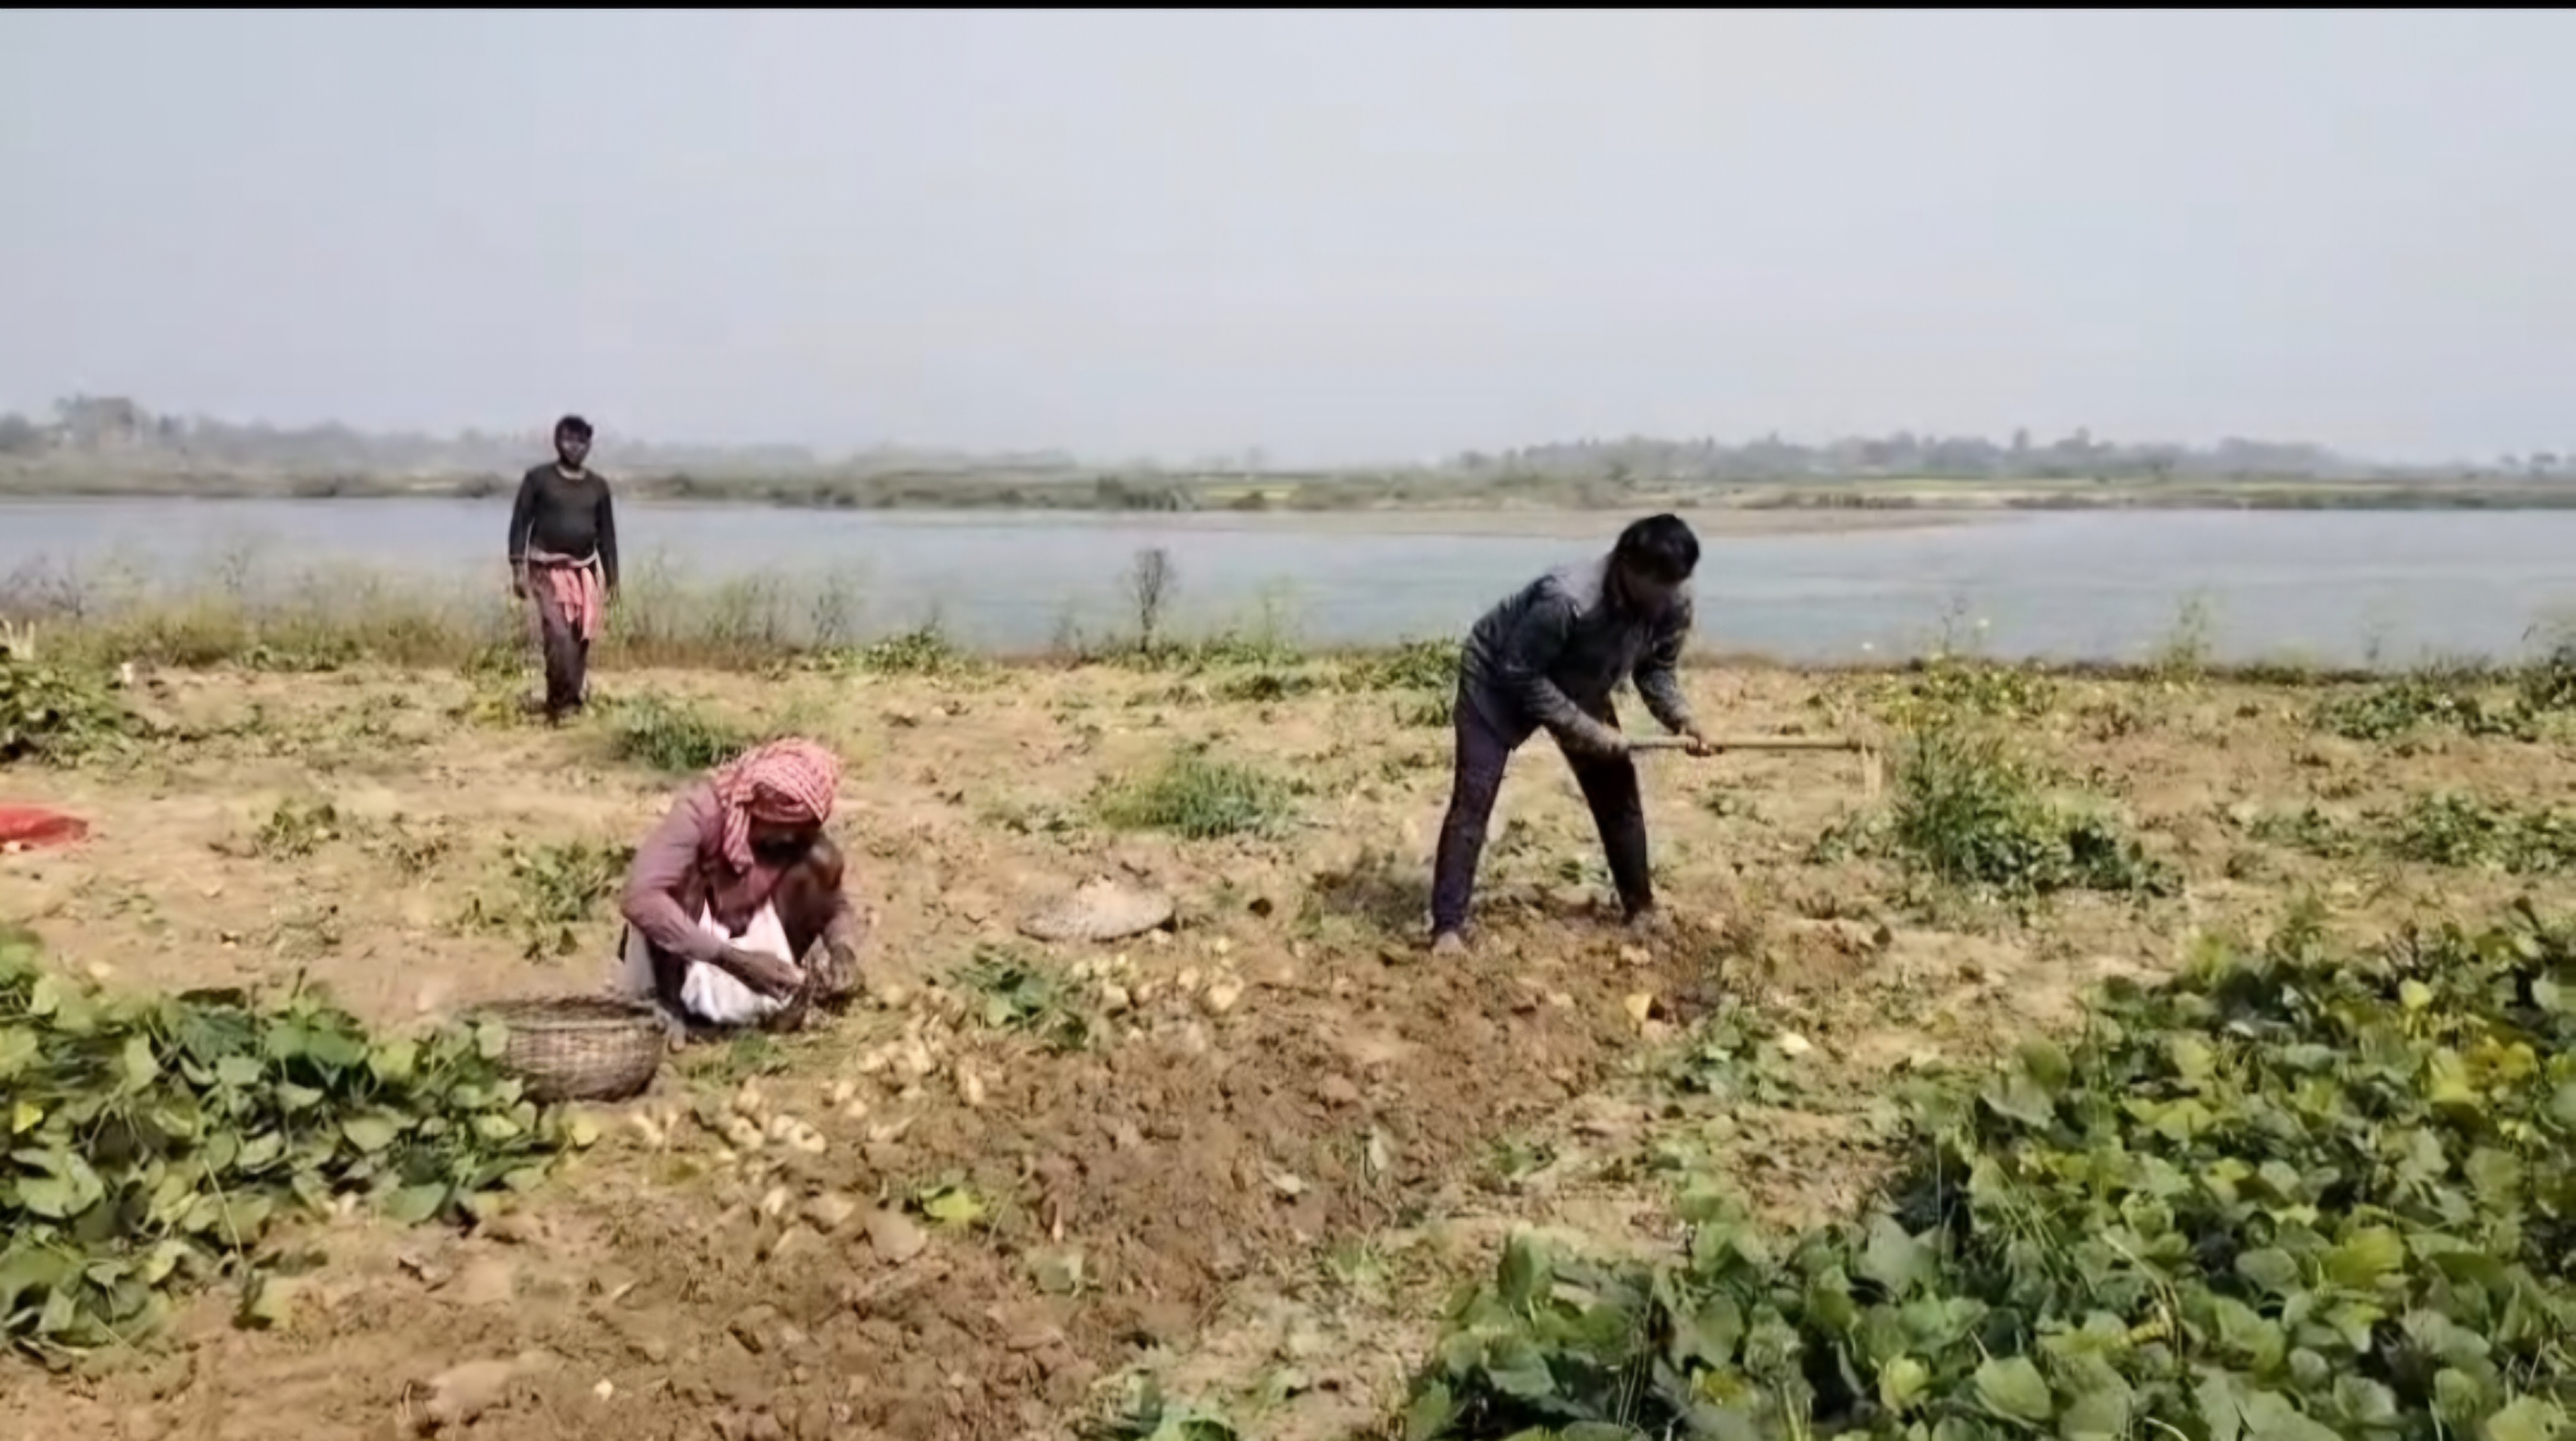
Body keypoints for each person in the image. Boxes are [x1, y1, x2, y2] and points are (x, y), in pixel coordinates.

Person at [1429, 513, 1716, 955]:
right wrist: (1590, 731)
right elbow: (1520, 676)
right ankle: (1447, 928)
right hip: (1498, 679)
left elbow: (1655, 672)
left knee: (1618, 793)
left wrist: (1683, 720)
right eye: (1657, 585)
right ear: (1627, 566)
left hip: (1580, 681)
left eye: (1675, 585)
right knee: (1474, 796)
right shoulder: (1567, 599)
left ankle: (1640, 911)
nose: (1667, 598)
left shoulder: (1674, 602)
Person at [613, 737, 869, 1035]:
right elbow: (640, 899)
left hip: (746, 946)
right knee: (675, 887)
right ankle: (672, 1006)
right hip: (684, 950)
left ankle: (779, 995)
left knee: (817, 861)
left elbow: (834, 904)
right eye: (789, 831)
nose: (792, 841)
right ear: (761, 812)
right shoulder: (699, 815)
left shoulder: (790, 839)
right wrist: (734, 961)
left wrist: (843, 951)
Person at [506, 415, 621, 723]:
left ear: (589, 445)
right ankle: (559, 702)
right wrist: (518, 568)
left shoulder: (598, 487)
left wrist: (612, 580)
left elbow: (607, 535)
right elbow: (520, 524)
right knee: (558, 634)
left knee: (581, 635)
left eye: (582, 441)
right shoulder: (538, 479)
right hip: (546, 567)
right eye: (569, 439)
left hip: (584, 570)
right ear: (557, 441)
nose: (575, 447)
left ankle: (571, 698)